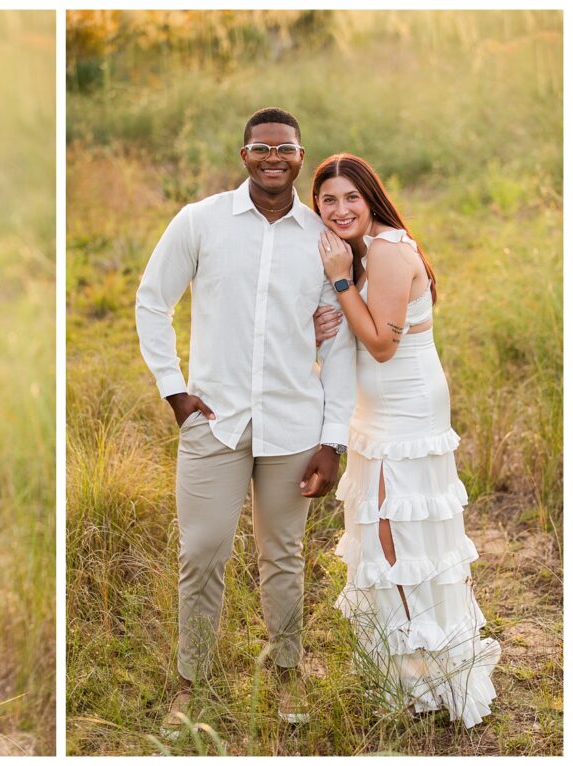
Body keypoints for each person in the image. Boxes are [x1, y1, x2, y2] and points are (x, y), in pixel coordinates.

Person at [135, 107, 357, 727]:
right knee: (202, 549)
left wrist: (332, 441)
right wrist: (175, 391)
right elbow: (152, 303)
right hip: (216, 418)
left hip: (294, 423)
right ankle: (193, 681)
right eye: (261, 149)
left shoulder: (322, 240)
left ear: (299, 156)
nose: (272, 158)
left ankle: (286, 673)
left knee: (282, 554)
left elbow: (336, 345)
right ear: (244, 156)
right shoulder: (200, 222)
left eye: (284, 149)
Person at [312, 153, 500, 727]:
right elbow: (356, 328)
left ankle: (431, 667)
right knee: (378, 534)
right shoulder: (363, 249)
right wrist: (328, 319)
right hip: (372, 411)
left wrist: (342, 282)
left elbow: (383, 345)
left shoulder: (389, 252)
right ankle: (405, 667)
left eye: (351, 197)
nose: (340, 209)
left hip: (407, 408)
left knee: (398, 535)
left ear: (371, 198)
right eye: (328, 200)